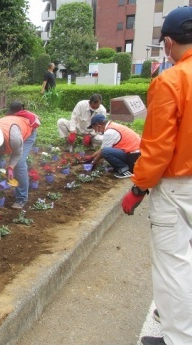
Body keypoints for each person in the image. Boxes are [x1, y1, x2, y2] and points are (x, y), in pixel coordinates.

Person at [121, 6, 192, 345]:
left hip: (179, 187)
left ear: (167, 42)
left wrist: (138, 188)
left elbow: (158, 147)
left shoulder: (172, 80)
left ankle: (179, 338)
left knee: (173, 266)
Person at [87, 114, 141, 179]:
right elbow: (102, 148)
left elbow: (102, 152)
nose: (95, 131)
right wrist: (92, 156)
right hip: (137, 154)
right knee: (106, 150)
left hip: (134, 156)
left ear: (98, 125)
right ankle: (122, 168)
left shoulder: (109, 132)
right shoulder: (112, 126)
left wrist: (92, 163)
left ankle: (125, 170)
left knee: (106, 152)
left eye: (94, 128)